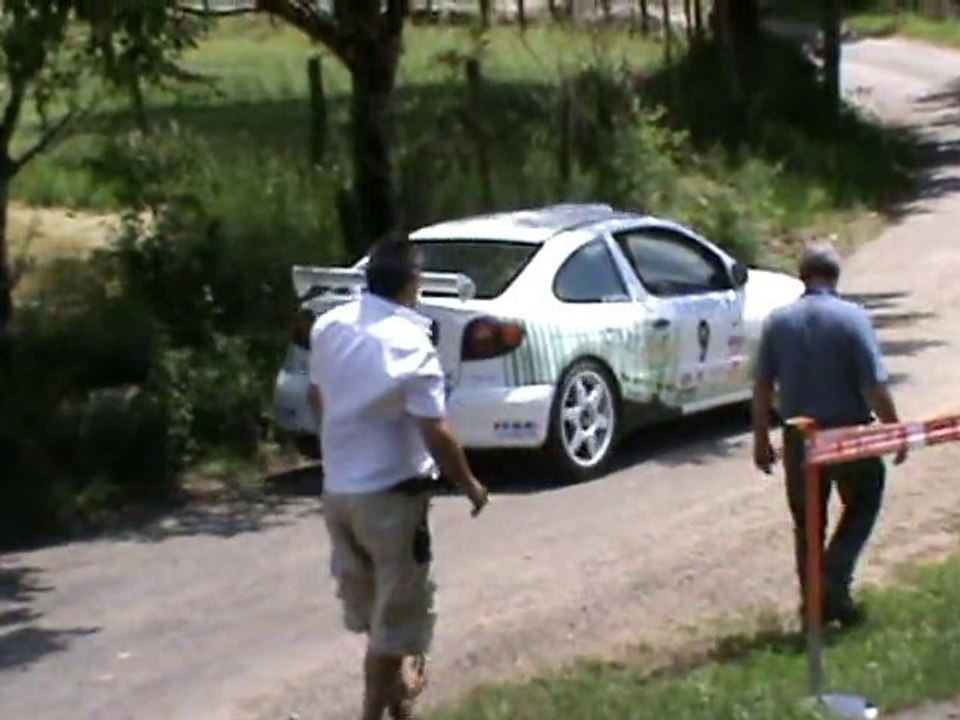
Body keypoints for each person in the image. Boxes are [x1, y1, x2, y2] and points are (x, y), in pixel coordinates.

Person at [307, 233, 489, 720]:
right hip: (392, 500)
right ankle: (374, 712)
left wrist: (341, 442)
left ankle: (400, 703)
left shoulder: (329, 326)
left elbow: (317, 395)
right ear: (413, 284)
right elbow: (435, 431)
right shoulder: (411, 343)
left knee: (377, 611)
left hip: (338, 495)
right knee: (396, 617)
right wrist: (470, 485)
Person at [750, 240, 906, 629]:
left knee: (807, 523)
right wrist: (894, 428)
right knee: (864, 500)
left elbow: (762, 386)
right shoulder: (852, 318)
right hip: (847, 433)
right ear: (836, 276)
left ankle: (813, 608)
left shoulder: (778, 322)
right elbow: (873, 385)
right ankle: (834, 580)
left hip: (799, 436)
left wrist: (760, 439)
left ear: (802, 276)